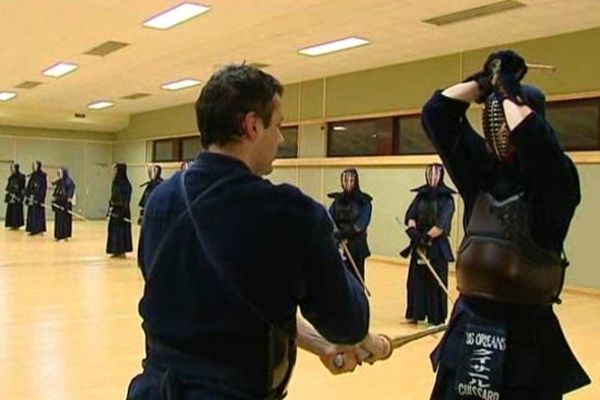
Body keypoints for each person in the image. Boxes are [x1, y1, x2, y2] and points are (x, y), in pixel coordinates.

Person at [127, 65, 390, 400]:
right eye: (277, 126)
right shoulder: (289, 213)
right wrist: (363, 338)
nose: (281, 139)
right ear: (252, 126)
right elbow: (346, 321)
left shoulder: (162, 200)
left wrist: (321, 345)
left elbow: (246, 303)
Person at [421, 50, 590, 399]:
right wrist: (484, 83)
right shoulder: (481, 177)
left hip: (525, 341)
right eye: (495, 119)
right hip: (469, 329)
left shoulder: (556, 184)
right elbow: (436, 114)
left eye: (507, 119)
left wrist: (509, 88)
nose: (502, 129)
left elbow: (535, 142)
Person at [400, 163, 455, 326]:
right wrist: (414, 233)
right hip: (419, 242)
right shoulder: (420, 197)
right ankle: (414, 314)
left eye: (436, 175)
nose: (433, 178)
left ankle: (435, 316)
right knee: (415, 280)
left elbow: (442, 224)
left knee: (434, 281)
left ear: (441, 176)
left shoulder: (447, 199)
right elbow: (411, 215)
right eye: (430, 175)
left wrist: (427, 237)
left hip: (437, 245)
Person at [328, 168, 373, 281]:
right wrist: (336, 235)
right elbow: (330, 219)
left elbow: (362, 222)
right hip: (339, 244)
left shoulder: (364, 202)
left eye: (351, 180)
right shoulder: (337, 202)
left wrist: (347, 233)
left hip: (356, 244)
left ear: (356, 181)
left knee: (356, 279)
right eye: (345, 181)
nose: (348, 184)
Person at [106, 163, 132, 257]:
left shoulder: (126, 184)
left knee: (121, 232)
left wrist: (122, 210)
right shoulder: (115, 183)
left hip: (122, 212)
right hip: (114, 211)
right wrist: (109, 209)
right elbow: (112, 197)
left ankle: (122, 250)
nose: (114, 172)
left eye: (115, 170)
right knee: (113, 231)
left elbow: (126, 199)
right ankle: (115, 250)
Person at [52, 167, 76, 241]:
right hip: (58, 203)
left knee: (65, 220)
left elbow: (70, 192)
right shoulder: (60, 181)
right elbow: (53, 183)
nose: (59, 174)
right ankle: (58, 235)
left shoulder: (69, 182)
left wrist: (68, 199)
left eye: (60, 173)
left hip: (65, 204)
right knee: (58, 220)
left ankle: (65, 235)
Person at [25, 161, 47, 235]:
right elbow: (28, 186)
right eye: (33, 166)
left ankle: (40, 229)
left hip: (38, 197)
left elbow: (44, 188)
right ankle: (32, 229)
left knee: (39, 213)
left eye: (35, 165)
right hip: (32, 197)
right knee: (31, 213)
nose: (34, 167)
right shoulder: (32, 175)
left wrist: (40, 198)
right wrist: (27, 195)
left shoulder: (42, 176)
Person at [4, 162, 26, 230]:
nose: (11, 169)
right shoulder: (11, 177)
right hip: (11, 197)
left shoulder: (21, 176)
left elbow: (22, 188)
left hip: (17, 197)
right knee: (11, 211)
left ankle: (17, 225)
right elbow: (8, 187)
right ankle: (11, 224)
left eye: (12, 168)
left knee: (16, 211)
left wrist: (20, 196)